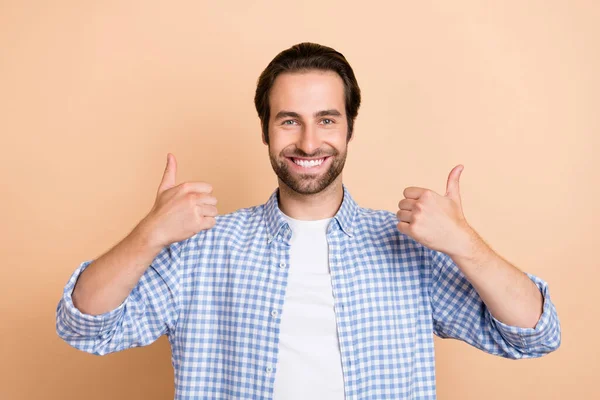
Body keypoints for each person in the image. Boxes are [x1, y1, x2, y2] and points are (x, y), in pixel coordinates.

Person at [56, 42, 561, 400]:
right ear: (265, 131)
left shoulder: (412, 246)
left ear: (349, 129)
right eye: (288, 120)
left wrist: (464, 244)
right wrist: (151, 234)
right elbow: (85, 326)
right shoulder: (203, 249)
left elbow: (534, 334)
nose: (308, 142)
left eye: (326, 119)